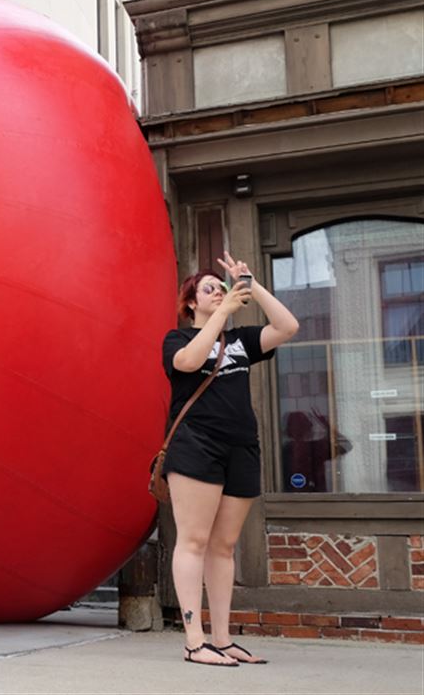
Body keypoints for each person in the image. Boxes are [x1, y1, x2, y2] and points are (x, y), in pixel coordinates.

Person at [162, 252, 299, 666]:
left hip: (242, 447)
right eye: (209, 288)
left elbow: (288, 327)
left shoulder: (240, 341)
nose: (218, 292)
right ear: (191, 302)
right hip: (196, 446)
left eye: (220, 287)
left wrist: (249, 283)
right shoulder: (178, 338)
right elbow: (186, 363)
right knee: (195, 541)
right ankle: (193, 641)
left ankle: (221, 639)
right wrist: (223, 310)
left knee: (223, 547)